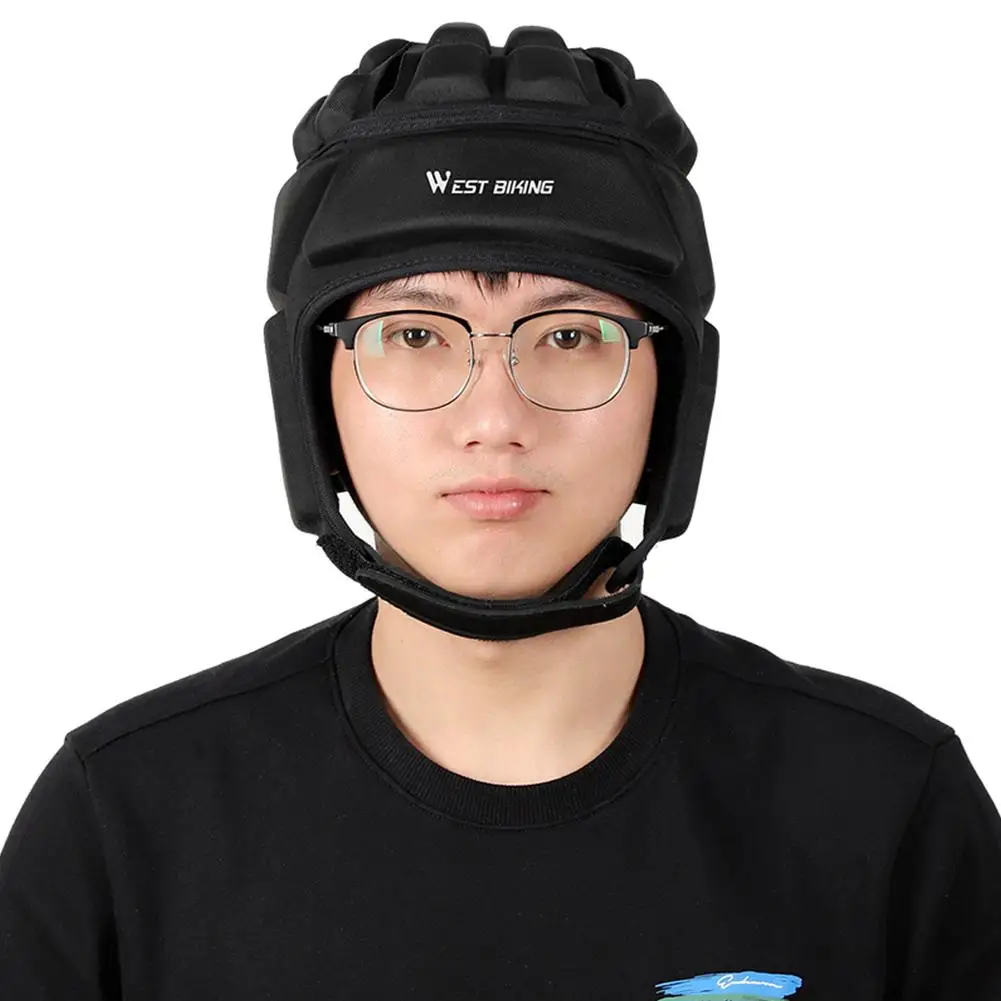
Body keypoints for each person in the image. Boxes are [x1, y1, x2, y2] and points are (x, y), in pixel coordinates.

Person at [2, 21, 999, 1001]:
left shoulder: (885, 808)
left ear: (673, 394)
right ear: (313, 391)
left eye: (569, 335)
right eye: (412, 334)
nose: (493, 420)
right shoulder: (123, 822)